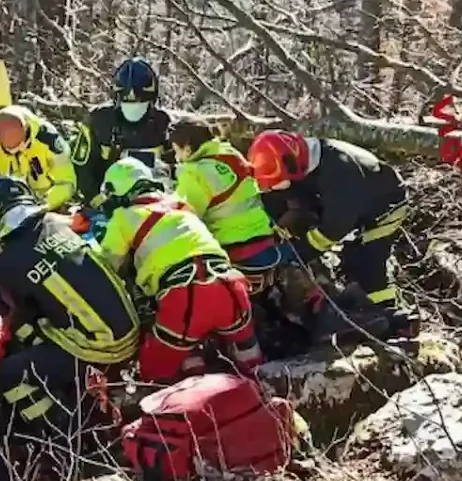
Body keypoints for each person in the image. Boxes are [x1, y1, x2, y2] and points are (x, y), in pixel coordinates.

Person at [0, 176, 139, 431]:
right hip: (131, 325)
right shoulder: (56, 224)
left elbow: (23, 314)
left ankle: (60, 431)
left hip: (99, 348)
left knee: (10, 372)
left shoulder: (7, 264)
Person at [97, 157, 265, 382]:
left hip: (185, 299)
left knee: (153, 375)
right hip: (231, 286)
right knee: (252, 364)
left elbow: (108, 266)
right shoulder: (181, 205)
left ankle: (193, 369)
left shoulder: (122, 218)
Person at [247, 130, 415, 337]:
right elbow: (280, 196)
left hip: (383, 207)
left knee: (365, 260)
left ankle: (390, 316)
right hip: (341, 202)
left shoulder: (339, 171)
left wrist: (300, 251)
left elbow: (334, 228)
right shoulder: (300, 164)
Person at [169, 118, 282, 296]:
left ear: (188, 149)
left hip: (236, 254)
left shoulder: (196, 174)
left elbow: (183, 219)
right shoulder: (230, 153)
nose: (177, 157)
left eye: (177, 150)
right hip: (266, 245)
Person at [73, 57, 172, 203]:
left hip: (155, 201)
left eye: (140, 103)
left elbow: (175, 168)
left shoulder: (164, 124)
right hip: (105, 202)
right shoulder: (98, 121)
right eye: (127, 103)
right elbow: (82, 167)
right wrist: (94, 199)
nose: (134, 108)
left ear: (151, 100)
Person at [0, 105, 77, 210]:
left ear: (27, 130)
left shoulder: (49, 139)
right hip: (6, 205)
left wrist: (43, 204)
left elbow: (66, 183)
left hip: (45, 202)